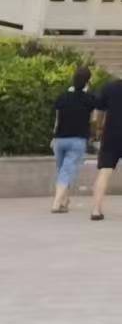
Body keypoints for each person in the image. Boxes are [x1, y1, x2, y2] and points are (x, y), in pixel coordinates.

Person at [50, 65, 97, 214]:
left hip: (59, 140)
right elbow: (93, 120)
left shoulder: (62, 97)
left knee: (62, 171)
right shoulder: (90, 99)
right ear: (87, 81)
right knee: (67, 171)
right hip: (77, 140)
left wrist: (53, 137)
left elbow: (57, 120)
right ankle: (56, 203)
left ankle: (64, 201)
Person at [93, 72, 121, 221]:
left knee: (104, 171)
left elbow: (100, 111)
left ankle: (96, 210)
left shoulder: (109, 87)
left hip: (111, 135)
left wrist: (98, 128)